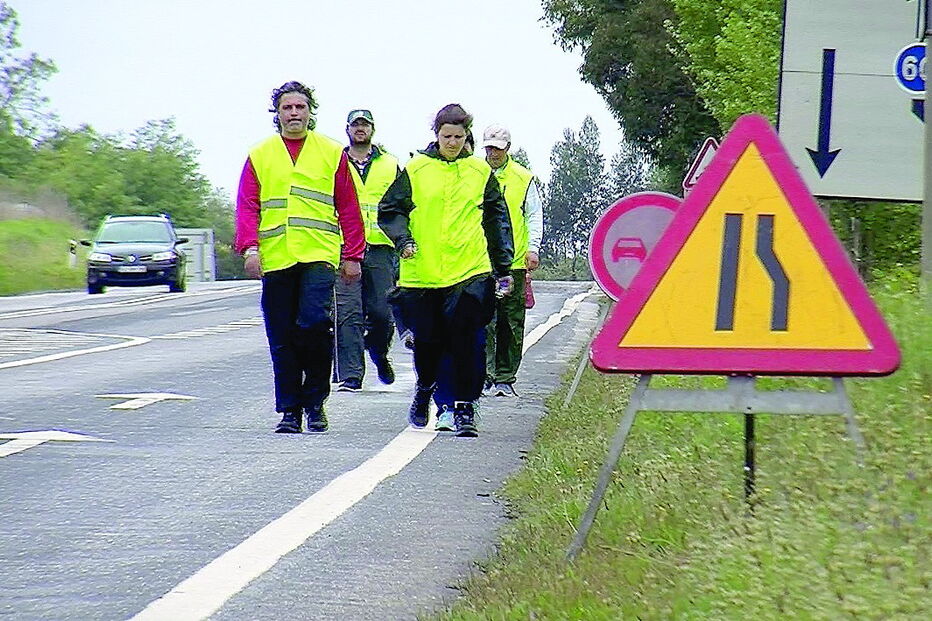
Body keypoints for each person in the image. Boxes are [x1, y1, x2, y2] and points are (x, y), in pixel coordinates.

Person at [235, 81, 365, 434]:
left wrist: (352, 255)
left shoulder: (331, 152)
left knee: (313, 326)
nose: (294, 113)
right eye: (287, 108)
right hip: (276, 257)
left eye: (300, 107)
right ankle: (290, 410)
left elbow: (349, 207)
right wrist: (250, 248)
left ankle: (315, 402)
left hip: (318, 255)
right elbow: (247, 206)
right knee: (282, 335)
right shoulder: (260, 154)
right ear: (277, 114)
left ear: (310, 112)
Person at [378, 103, 514, 437]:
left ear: (467, 135)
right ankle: (425, 389)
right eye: (446, 136)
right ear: (436, 135)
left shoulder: (480, 173)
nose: (452, 142)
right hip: (422, 273)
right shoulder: (415, 169)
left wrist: (503, 267)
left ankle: (465, 408)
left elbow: (497, 220)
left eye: (459, 136)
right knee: (429, 343)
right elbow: (390, 210)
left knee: (467, 342)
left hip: (469, 271)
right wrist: (402, 239)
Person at [332, 109, 401, 391]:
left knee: (382, 313)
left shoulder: (391, 164)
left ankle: (379, 353)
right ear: (347, 129)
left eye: (365, 125)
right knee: (348, 313)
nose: (360, 129)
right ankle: (351, 375)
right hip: (345, 245)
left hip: (381, 247)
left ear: (373, 129)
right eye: (355, 125)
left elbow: (402, 205)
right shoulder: (335, 162)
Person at [481, 124, 543, 398]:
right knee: (482, 320)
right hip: (478, 261)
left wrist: (533, 248)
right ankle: (484, 375)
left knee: (510, 321)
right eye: (489, 147)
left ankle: (505, 377)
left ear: (507, 148)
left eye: (497, 147)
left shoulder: (523, 178)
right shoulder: (473, 173)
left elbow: (533, 216)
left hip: (512, 263)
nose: (493, 152)